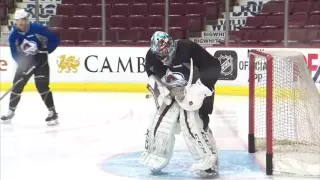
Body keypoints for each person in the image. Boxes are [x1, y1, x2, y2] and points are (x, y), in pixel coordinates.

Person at [140, 31, 221, 177]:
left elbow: (213, 66)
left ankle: (209, 162)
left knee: (194, 124)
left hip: (196, 90)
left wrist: (197, 90)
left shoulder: (187, 48)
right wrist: (163, 91)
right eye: (160, 54)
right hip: (172, 93)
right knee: (161, 124)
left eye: (166, 52)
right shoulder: (152, 56)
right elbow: (151, 74)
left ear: (171, 44)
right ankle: (156, 155)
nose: (164, 56)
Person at [1, 9, 60, 126]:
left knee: (42, 86)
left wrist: (46, 51)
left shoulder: (38, 28)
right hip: (26, 62)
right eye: (18, 20)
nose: (21, 23)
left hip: (41, 62)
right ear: (15, 22)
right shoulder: (13, 35)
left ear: (27, 20)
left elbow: (55, 39)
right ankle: (10, 111)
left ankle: (52, 112)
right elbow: (14, 53)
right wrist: (23, 64)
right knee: (16, 86)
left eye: (23, 20)